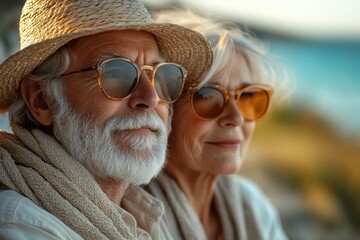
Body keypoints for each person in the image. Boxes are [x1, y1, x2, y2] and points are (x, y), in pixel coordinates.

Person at [0, 1, 213, 239]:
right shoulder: (21, 225)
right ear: (41, 100)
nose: (150, 97)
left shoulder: (140, 212)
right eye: (114, 73)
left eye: (159, 75)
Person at [146, 10, 289, 240]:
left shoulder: (253, 205)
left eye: (247, 97)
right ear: (164, 108)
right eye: (207, 96)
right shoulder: (136, 216)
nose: (236, 117)